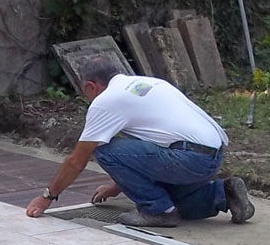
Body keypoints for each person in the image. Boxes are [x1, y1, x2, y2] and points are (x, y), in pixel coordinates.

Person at [26, 59, 255, 227]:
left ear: (90, 87)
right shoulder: (147, 84)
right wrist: (118, 186)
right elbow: (150, 150)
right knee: (177, 203)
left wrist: (47, 197)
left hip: (188, 158)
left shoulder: (105, 101)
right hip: (211, 157)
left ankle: (158, 211)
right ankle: (225, 194)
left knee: (105, 150)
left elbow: (77, 160)